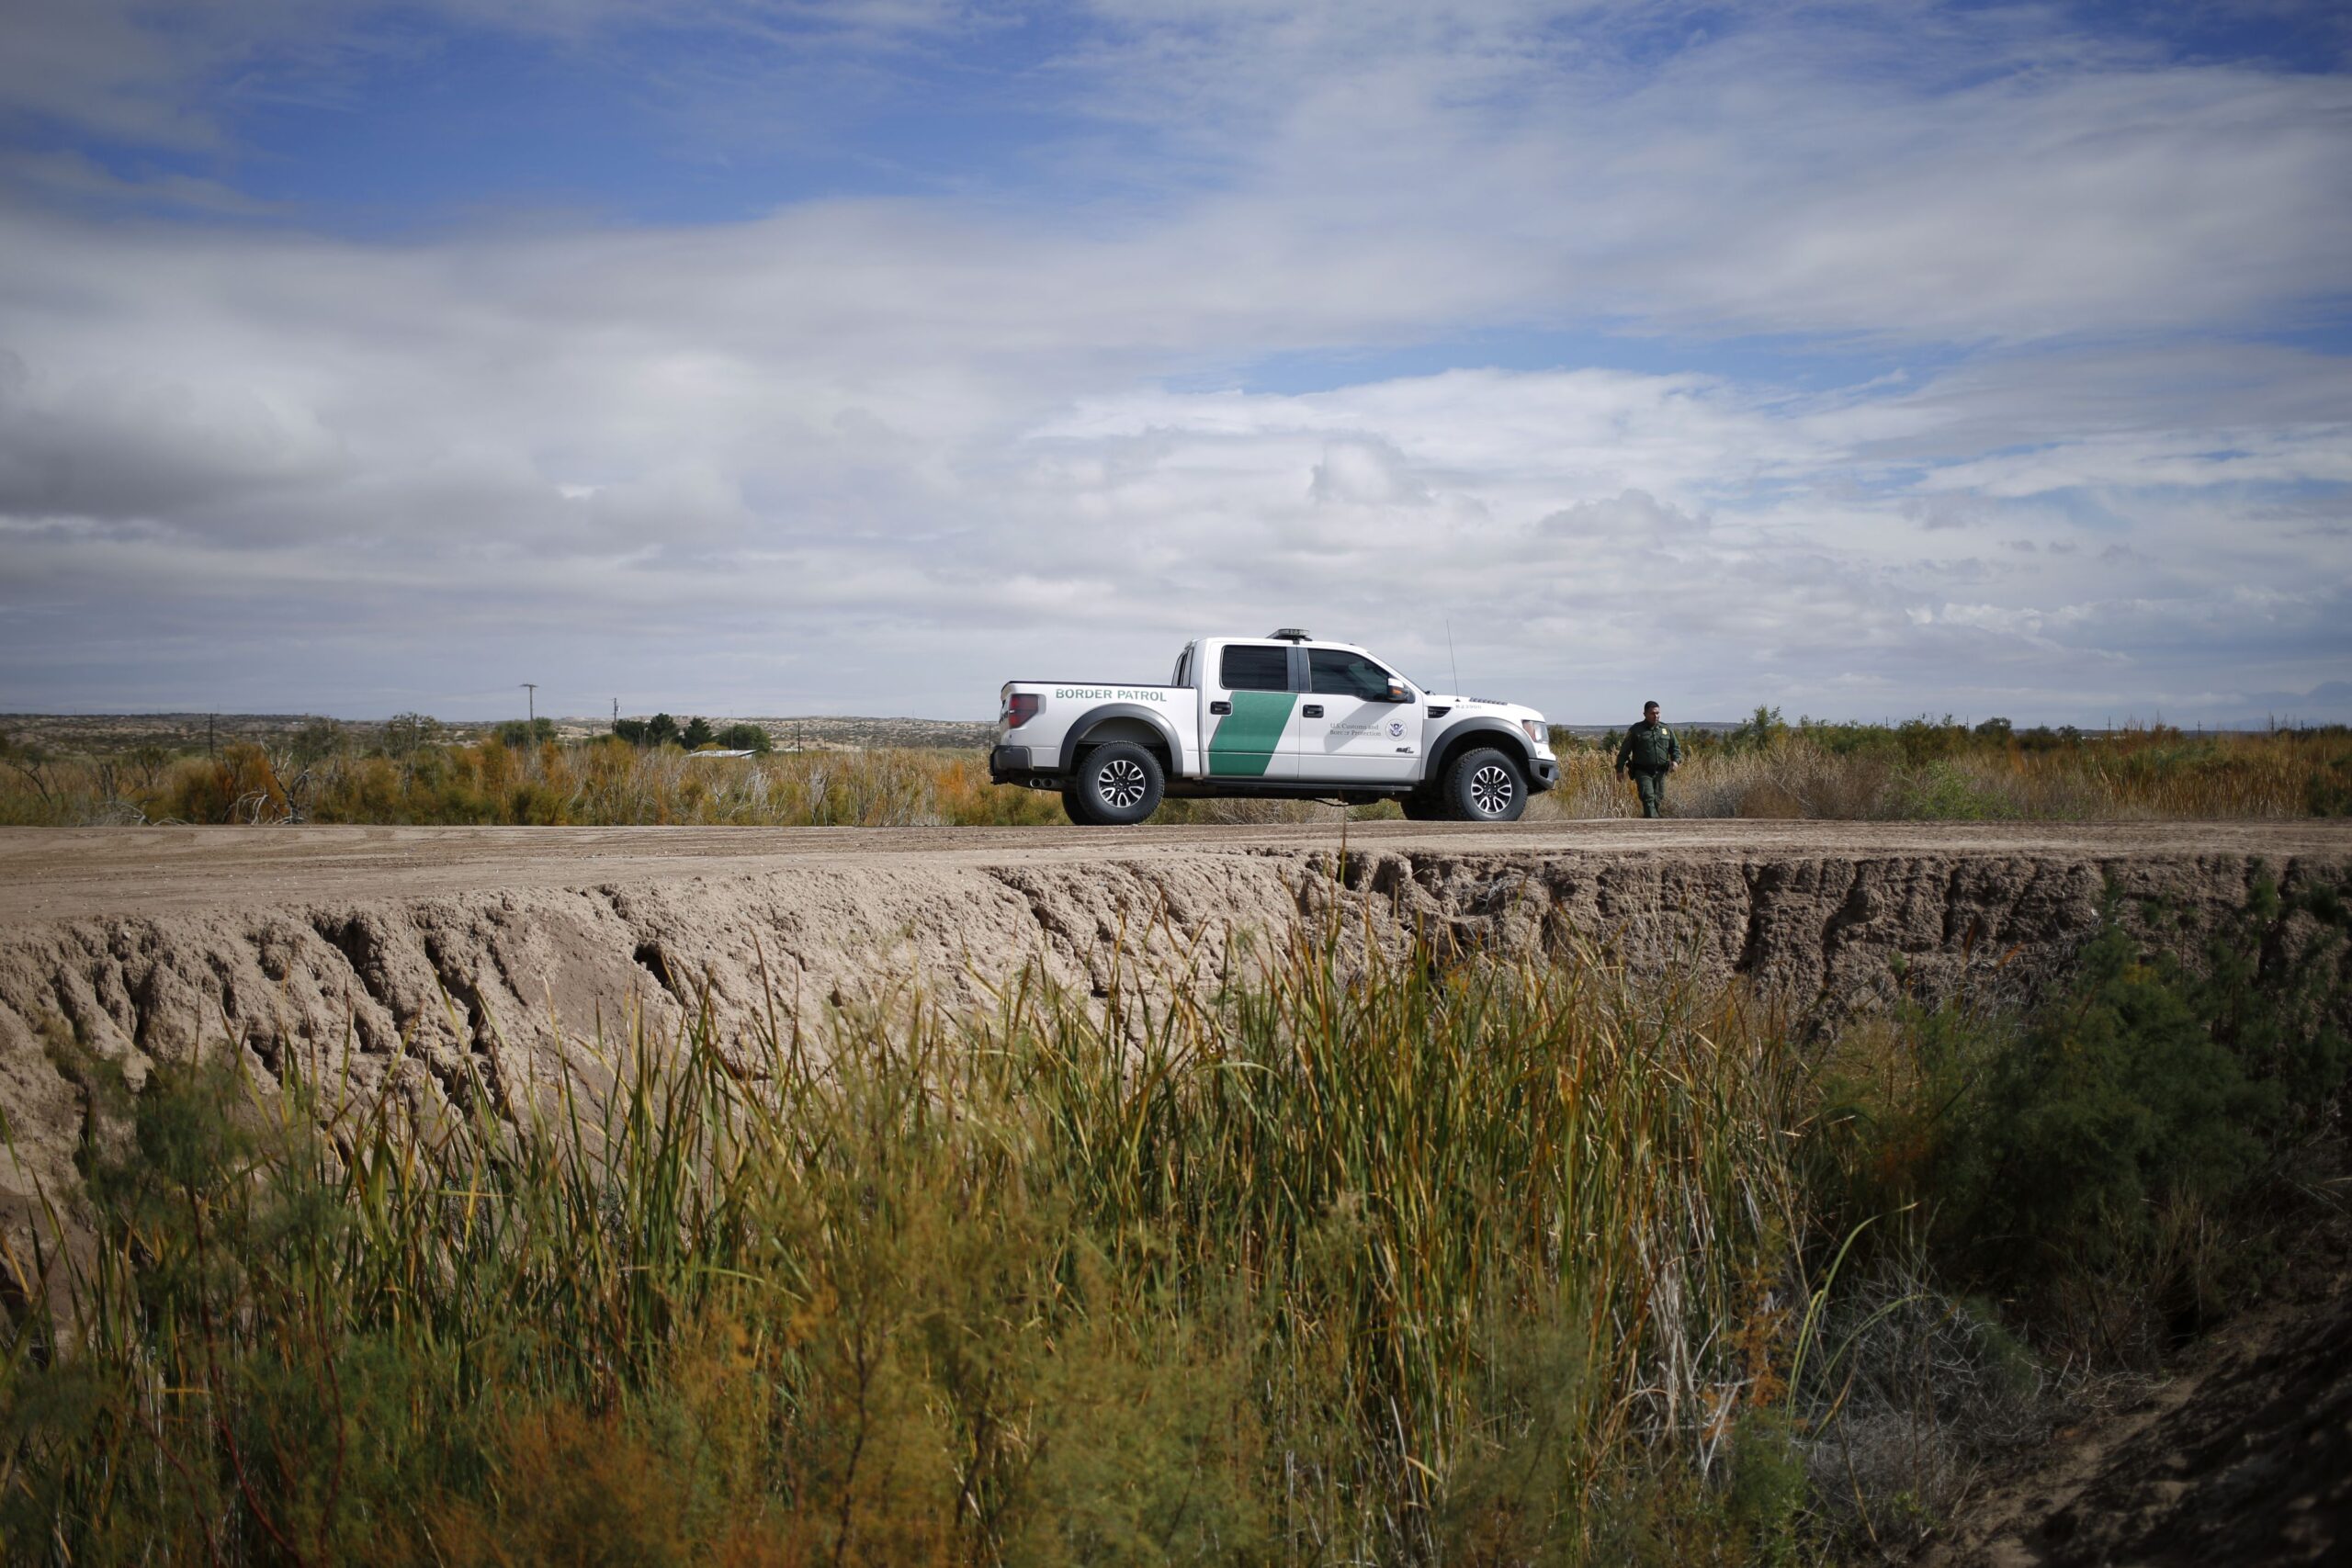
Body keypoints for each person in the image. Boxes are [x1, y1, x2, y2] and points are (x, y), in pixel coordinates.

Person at [1613, 700, 1681, 818]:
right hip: (1643, 771)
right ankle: (1654, 823)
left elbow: (1675, 747)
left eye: (1658, 713)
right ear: (1644, 714)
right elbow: (1624, 752)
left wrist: (1675, 760)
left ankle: (1650, 821)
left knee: (1658, 798)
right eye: (1652, 713)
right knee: (1648, 797)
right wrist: (1619, 769)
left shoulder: (1665, 729)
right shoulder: (1636, 730)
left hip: (1660, 771)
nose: (1656, 716)